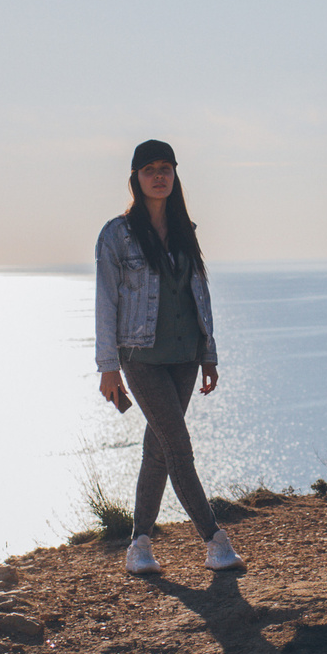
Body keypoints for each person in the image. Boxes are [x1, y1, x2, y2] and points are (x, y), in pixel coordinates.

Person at [94, 140, 245, 578]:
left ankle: (139, 545)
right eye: (149, 169)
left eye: (166, 168)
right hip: (140, 356)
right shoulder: (116, 235)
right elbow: (106, 302)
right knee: (178, 446)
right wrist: (108, 367)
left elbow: (199, 293)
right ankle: (215, 540)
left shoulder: (184, 230)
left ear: (175, 175)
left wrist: (208, 354)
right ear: (136, 178)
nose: (159, 176)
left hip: (185, 356)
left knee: (159, 448)